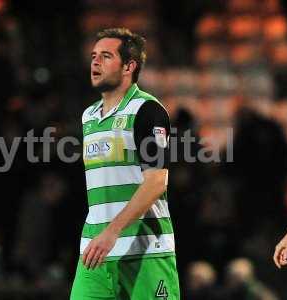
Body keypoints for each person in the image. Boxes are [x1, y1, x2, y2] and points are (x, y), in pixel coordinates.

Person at [70, 28, 180, 300]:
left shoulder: (147, 111)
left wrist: (113, 232)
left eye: (106, 56)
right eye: (94, 56)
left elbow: (156, 182)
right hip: (95, 252)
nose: (95, 62)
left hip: (144, 252)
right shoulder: (88, 117)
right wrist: (103, 236)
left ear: (129, 66)